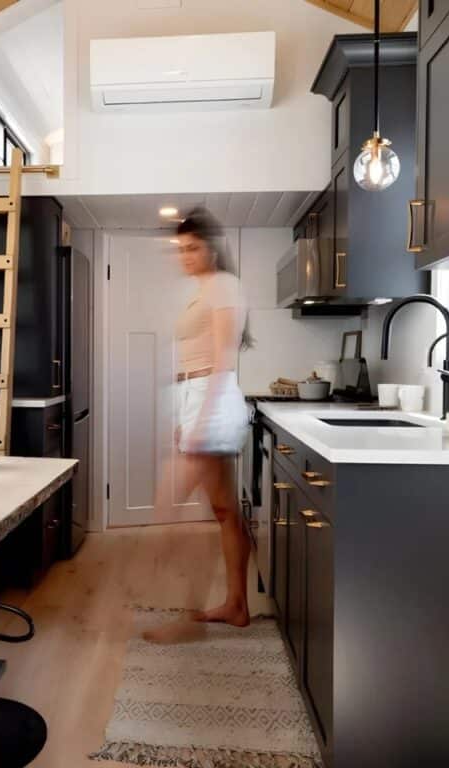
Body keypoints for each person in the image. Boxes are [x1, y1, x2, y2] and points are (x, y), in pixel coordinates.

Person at [158, 208, 252, 628]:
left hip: (211, 402)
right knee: (224, 510)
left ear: (211, 249)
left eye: (193, 247)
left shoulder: (224, 286)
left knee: (167, 505)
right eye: (181, 249)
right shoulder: (206, 289)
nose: (186, 256)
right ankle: (236, 606)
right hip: (196, 400)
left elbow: (222, 359)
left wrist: (201, 420)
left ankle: (182, 620)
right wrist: (187, 415)